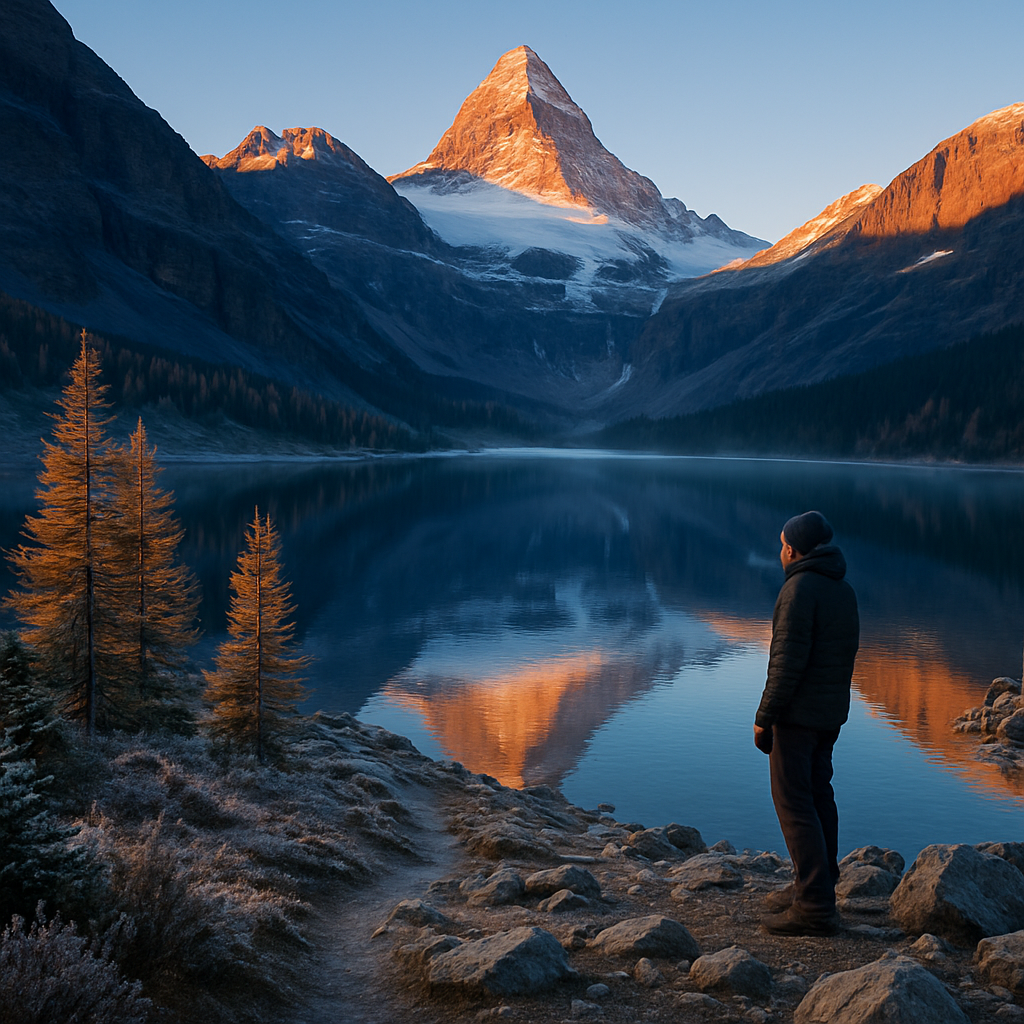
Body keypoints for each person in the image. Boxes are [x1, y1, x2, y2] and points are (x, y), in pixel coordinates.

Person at [753, 510, 859, 936]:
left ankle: (815, 906)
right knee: (818, 797)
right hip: (829, 715)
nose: (780, 551)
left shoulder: (798, 590)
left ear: (794, 549)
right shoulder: (842, 588)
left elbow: (785, 665)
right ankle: (817, 883)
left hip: (797, 717)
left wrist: (765, 719)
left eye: (782, 545)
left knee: (794, 802)